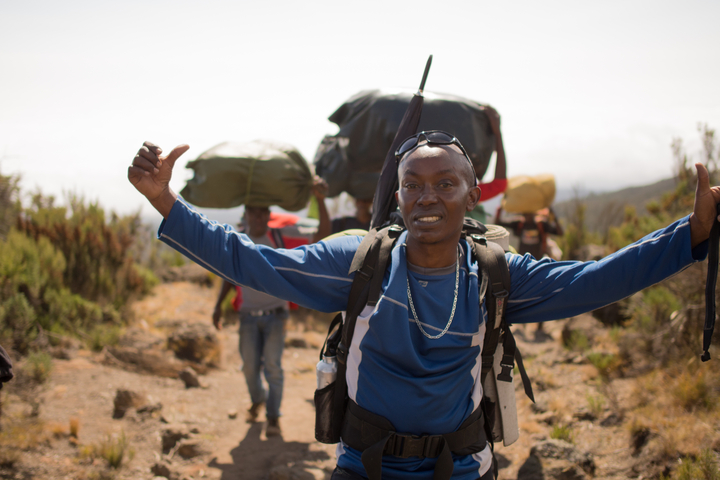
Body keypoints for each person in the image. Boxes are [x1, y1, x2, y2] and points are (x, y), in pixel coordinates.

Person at [129, 135, 718, 480]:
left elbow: (594, 280)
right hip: (363, 466)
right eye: (413, 184)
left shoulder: (494, 276)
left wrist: (688, 235)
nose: (427, 196)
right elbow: (251, 262)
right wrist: (167, 203)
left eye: (445, 183)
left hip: (460, 468)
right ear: (399, 194)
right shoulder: (358, 263)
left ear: (472, 195)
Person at [210, 205, 289, 437]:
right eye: (253, 212)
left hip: (276, 314)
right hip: (248, 316)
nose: (258, 216)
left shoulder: (277, 238)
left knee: (273, 367)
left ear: (268, 215)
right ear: (246, 214)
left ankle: (273, 417)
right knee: (249, 367)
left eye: (263, 211)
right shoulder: (238, 240)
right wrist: (217, 306)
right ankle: (258, 400)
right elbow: (228, 275)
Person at [466, 106, 507, 223]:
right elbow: (499, 184)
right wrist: (497, 134)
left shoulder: (461, 190)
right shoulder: (466, 193)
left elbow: (499, 184)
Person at [312, 176, 372, 242]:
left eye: (366, 200)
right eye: (359, 199)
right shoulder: (341, 223)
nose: (362, 203)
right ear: (355, 200)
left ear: (372, 200)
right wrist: (320, 199)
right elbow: (323, 236)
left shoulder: (378, 224)